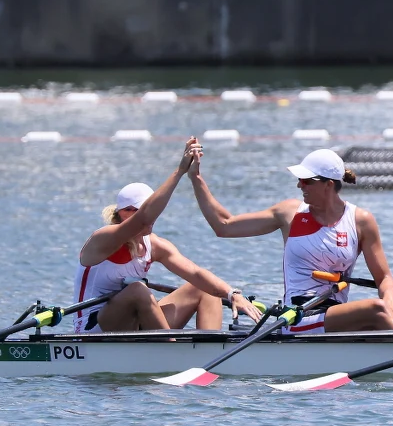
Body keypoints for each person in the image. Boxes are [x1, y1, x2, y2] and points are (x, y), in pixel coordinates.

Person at [187, 147, 393, 333]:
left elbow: (385, 278)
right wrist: (196, 179)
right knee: (376, 309)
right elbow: (224, 226)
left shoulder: (360, 220)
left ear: (329, 185)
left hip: (338, 313)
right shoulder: (290, 213)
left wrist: (390, 296)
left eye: (306, 180)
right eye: (299, 180)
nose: (300, 185)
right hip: (300, 317)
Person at [74, 138, 261, 333]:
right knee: (138, 290)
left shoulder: (154, 246)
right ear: (122, 212)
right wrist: (179, 172)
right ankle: (171, 349)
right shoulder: (104, 238)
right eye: (135, 210)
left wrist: (232, 294)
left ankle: (209, 351)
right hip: (94, 327)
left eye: (149, 210)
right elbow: (144, 218)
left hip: (133, 323)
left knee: (204, 288)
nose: (151, 217)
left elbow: (196, 273)